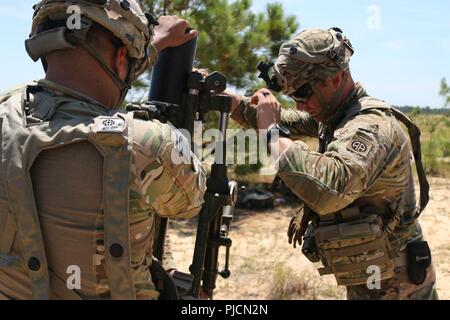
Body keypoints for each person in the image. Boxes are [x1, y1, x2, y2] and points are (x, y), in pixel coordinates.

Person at [0, 0, 206, 300]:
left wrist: (144, 48)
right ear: (121, 58)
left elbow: (68, 92)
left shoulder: (6, 111)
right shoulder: (146, 144)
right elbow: (191, 202)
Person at [227, 28, 438, 300]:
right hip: (374, 272)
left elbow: (329, 189)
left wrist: (270, 131)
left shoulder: (369, 126)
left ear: (336, 77)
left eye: (304, 93)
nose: (300, 106)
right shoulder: (335, 115)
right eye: (293, 96)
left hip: (399, 283)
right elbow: (284, 121)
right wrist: (230, 102)